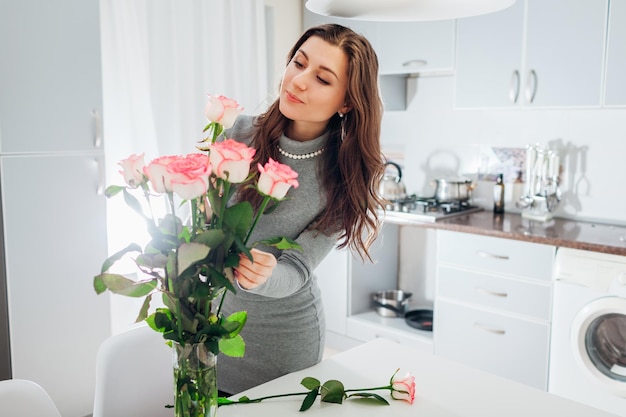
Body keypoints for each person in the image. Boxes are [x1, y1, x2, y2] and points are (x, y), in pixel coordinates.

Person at [217, 23, 385, 395]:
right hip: (212, 331)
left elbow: (298, 268)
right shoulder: (236, 135)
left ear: (346, 101)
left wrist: (265, 274)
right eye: (299, 63)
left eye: (323, 79)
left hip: (283, 346)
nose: (298, 81)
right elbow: (201, 220)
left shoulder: (345, 176)